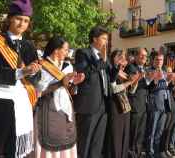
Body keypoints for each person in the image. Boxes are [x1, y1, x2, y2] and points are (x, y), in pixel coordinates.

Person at [0, 0, 41, 157]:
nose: (22, 23)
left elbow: (36, 76)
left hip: (22, 103)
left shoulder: (29, 46)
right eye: (18, 18)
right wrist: (19, 73)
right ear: (9, 19)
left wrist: (33, 72)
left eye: (26, 20)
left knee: (14, 151)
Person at [35, 36, 85, 158]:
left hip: (65, 108)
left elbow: (69, 90)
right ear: (56, 50)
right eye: (66, 49)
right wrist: (60, 83)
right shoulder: (42, 65)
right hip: (47, 108)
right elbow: (38, 92)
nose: (67, 52)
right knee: (51, 139)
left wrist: (74, 83)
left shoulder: (67, 66)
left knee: (65, 139)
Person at [73, 26, 109, 158]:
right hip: (88, 105)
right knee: (85, 142)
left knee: (97, 142)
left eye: (107, 39)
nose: (107, 41)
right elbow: (83, 73)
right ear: (94, 38)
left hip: (103, 104)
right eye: (104, 38)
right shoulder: (83, 53)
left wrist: (116, 67)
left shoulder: (103, 56)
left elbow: (110, 75)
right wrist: (101, 61)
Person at [105, 49, 140, 158]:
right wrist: (129, 82)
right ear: (114, 58)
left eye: (123, 57)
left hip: (125, 106)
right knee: (116, 136)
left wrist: (135, 83)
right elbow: (114, 89)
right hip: (115, 106)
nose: (122, 60)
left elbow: (131, 91)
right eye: (120, 57)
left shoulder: (124, 72)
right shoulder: (110, 70)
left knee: (125, 135)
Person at [126, 48, 150, 158]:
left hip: (144, 106)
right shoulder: (131, 67)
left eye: (145, 56)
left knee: (141, 133)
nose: (144, 58)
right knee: (133, 133)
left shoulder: (145, 69)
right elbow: (131, 84)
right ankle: (131, 155)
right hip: (135, 105)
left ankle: (138, 153)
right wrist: (144, 78)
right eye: (141, 55)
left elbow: (147, 87)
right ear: (136, 56)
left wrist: (153, 80)